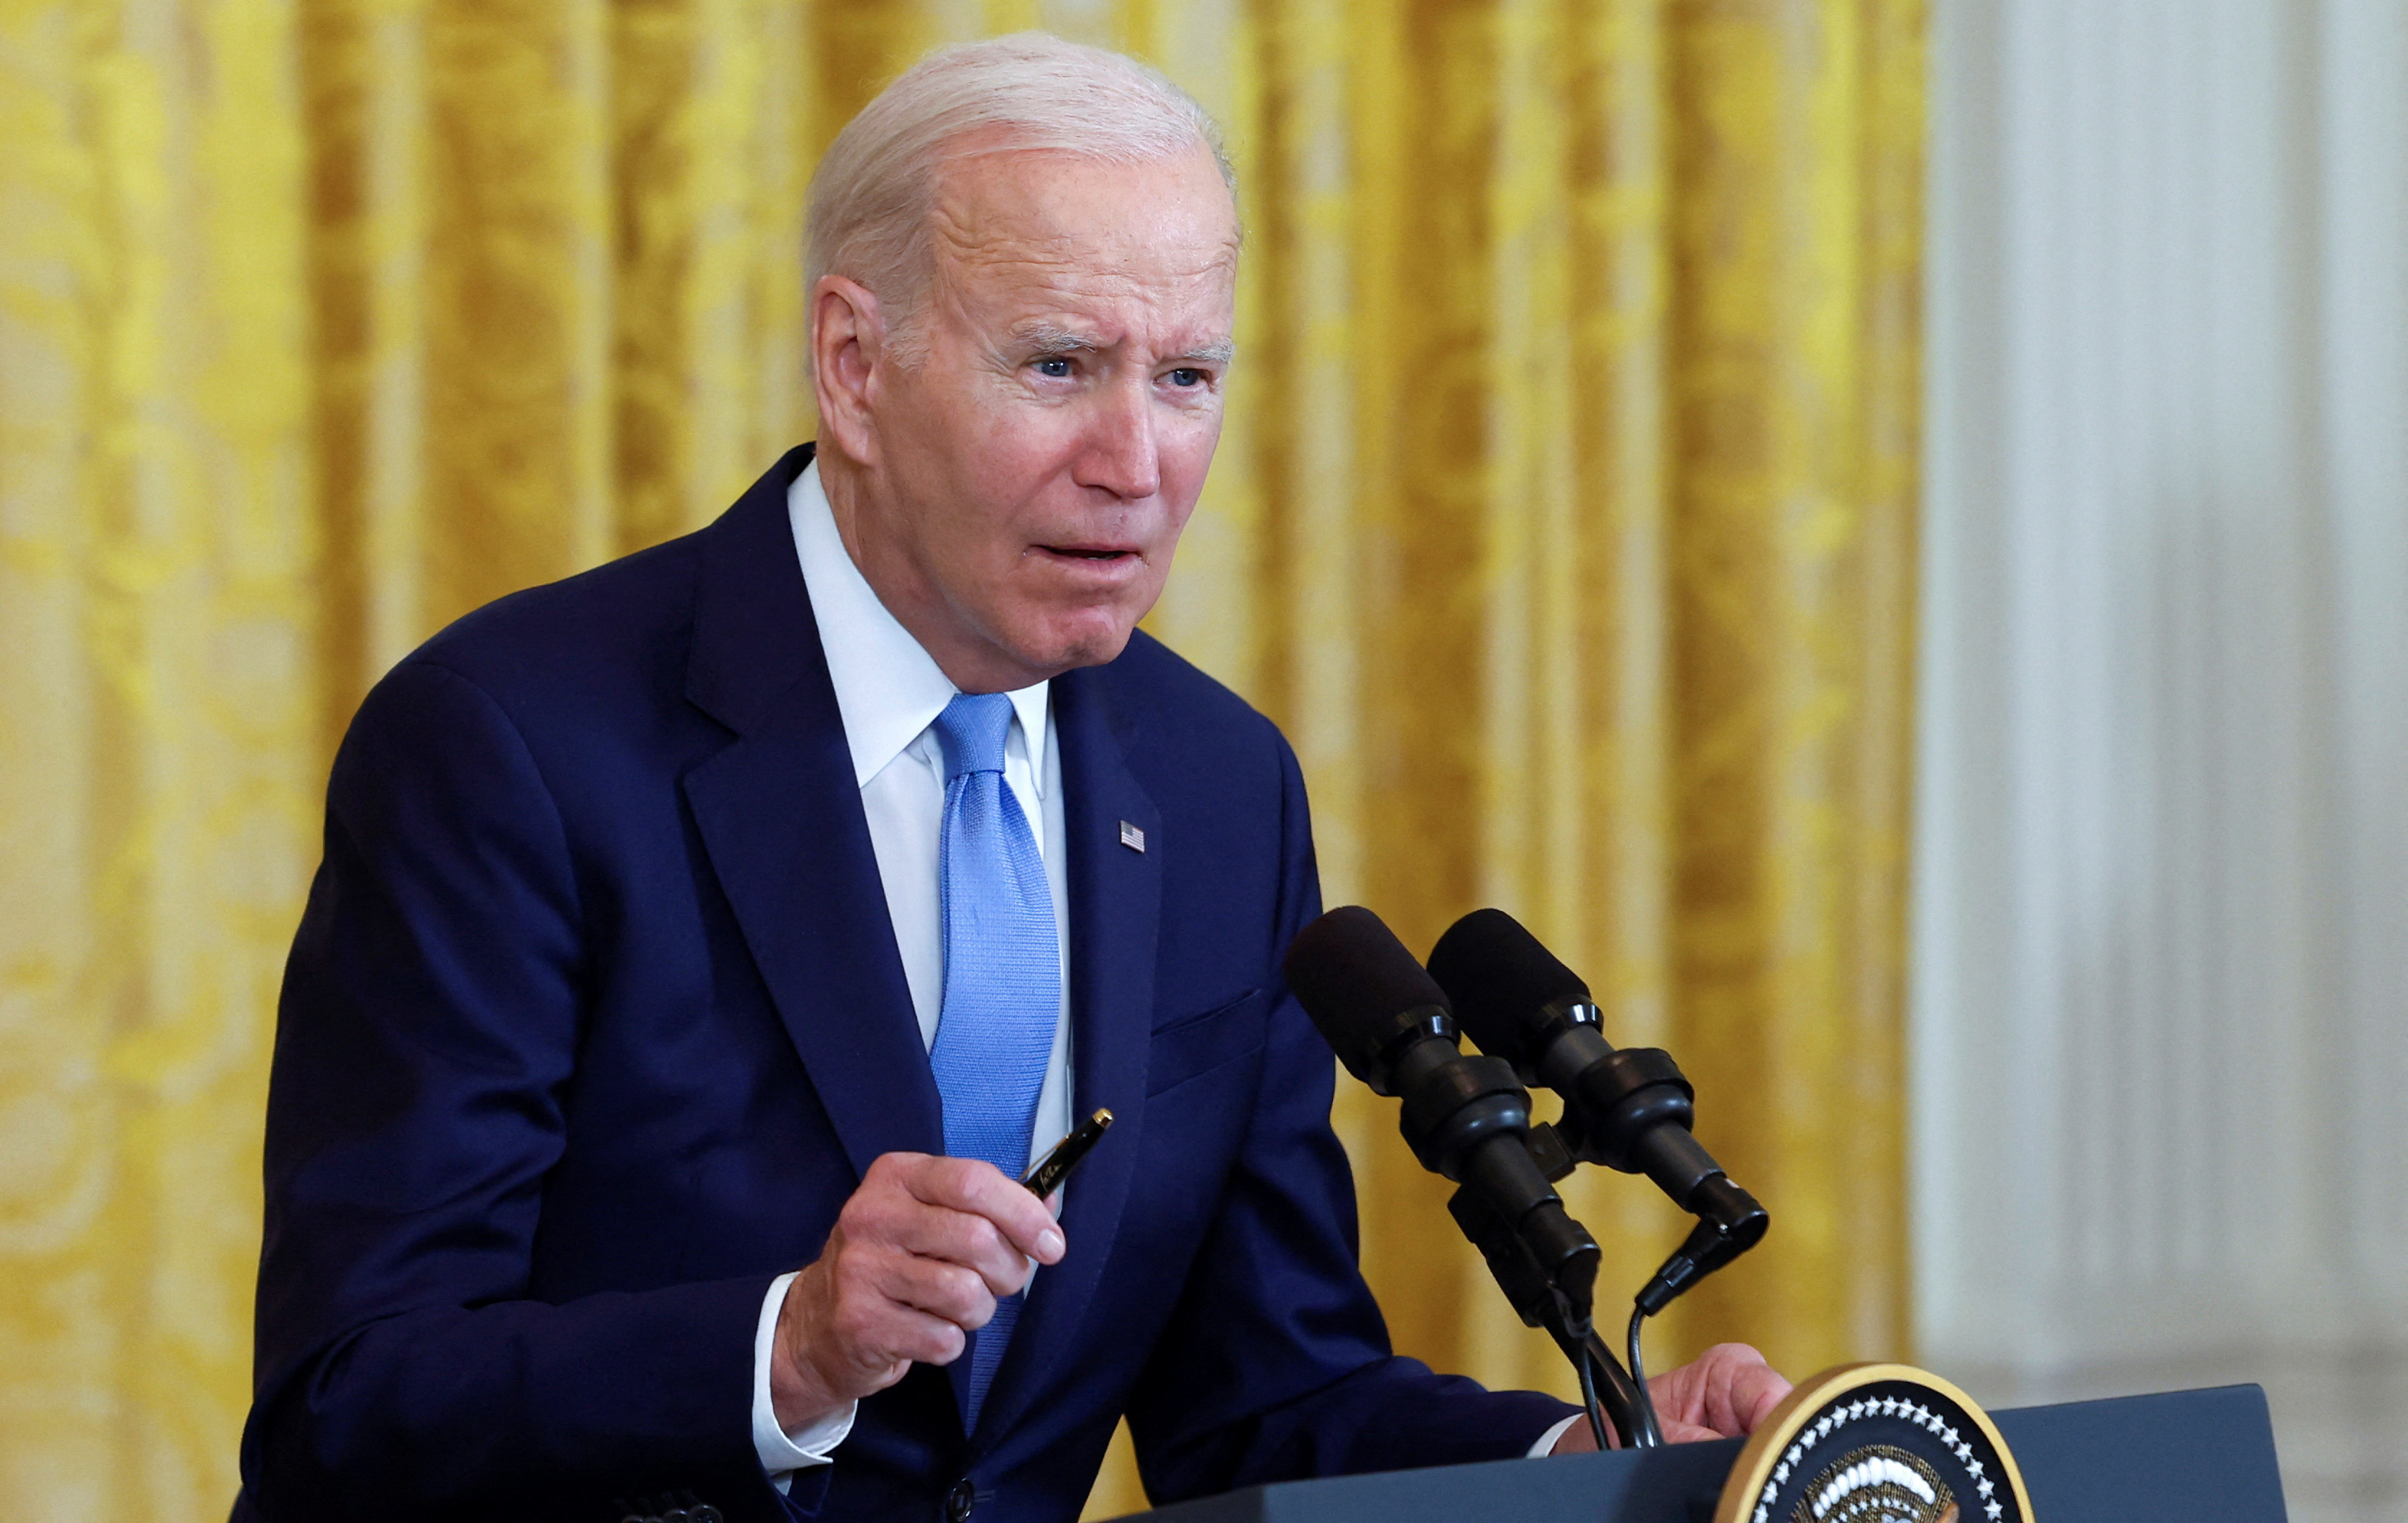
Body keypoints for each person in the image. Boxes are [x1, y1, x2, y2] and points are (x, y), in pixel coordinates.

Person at [237, 34, 1788, 1523]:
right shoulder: (511, 743)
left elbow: (1261, 1400)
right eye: (1059, 366)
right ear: (854, 366)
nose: (1136, 463)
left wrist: (1580, 1460)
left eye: (1186, 377)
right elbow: (347, 1402)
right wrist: (787, 1349)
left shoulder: (1221, 788)